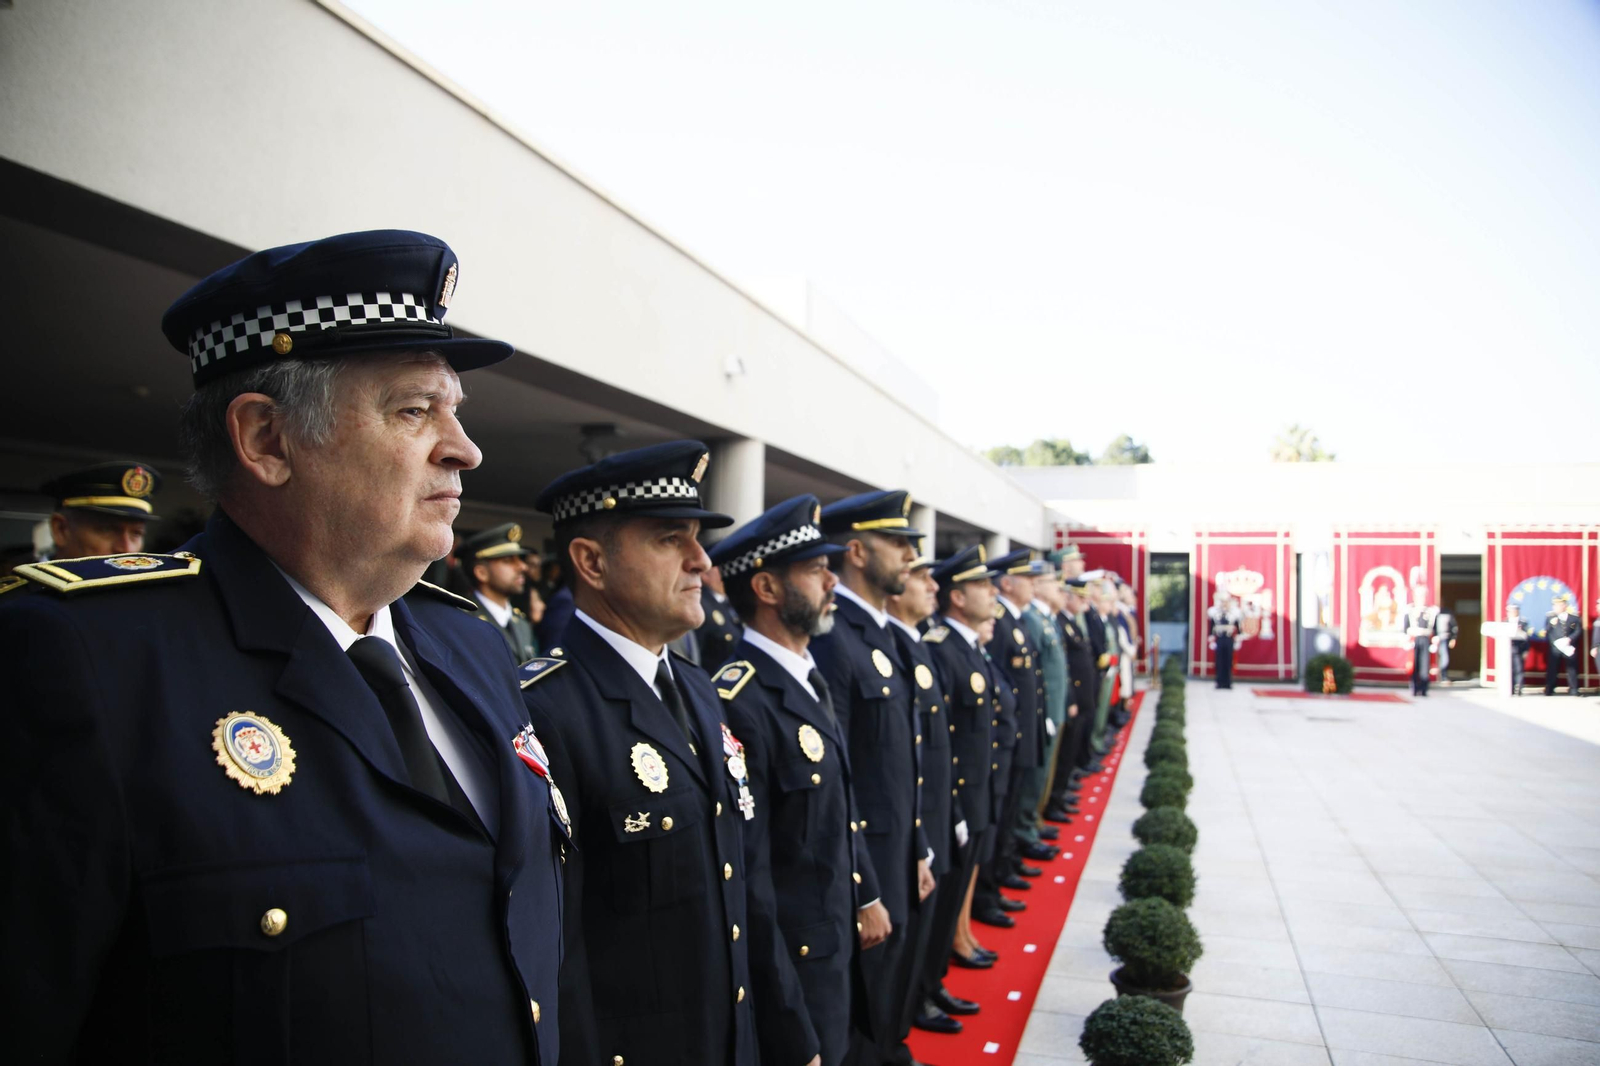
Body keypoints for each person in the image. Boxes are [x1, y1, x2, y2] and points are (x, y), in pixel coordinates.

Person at [3, 230, 566, 1063]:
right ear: (267, 440)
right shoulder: (86, 662)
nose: (464, 448)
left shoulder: (470, 645)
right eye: (414, 410)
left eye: (455, 410)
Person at [515, 441, 809, 1066]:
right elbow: (553, 949)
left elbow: (748, 887)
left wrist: (791, 1035)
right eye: (670, 539)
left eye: (697, 540)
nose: (702, 561)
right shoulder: (545, 710)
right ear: (591, 562)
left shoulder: (701, 691)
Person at [710, 495, 858, 1066]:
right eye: (817, 571)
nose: (833, 583)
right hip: (791, 962)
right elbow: (750, 873)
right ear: (768, 589)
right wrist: (789, 1022)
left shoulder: (807, 677)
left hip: (832, 937)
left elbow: (838, 807)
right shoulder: (739, 698)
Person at [812, 489, 932, 1066]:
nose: (910, 555)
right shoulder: (835, 639)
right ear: (856, 552)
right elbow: (840, 771)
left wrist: (920, 846)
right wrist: (866, 886)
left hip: (896, 848)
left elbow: (897, 759)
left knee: (888, 1000)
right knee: (864, 1010)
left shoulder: (882, 632)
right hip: (866, 864)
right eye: (899, 543)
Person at [886, 553, 966, 1039]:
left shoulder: (916, 645)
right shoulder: (897, 645)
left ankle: (925, 990)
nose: (932, 587)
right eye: (920, 578)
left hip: (932, 811)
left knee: (928, 928)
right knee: (907, 938)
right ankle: (911, 1007)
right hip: (912, 821)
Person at [921, 545, 1000, 977]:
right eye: (981, 585)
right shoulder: (942, 647)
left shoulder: (968, 646)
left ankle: (962, 934)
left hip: (976, 782)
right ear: (958, 597)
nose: (992, 593)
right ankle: (950, 949)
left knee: (966, 876)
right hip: (956, 788)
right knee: (950, 885)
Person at [976, 550, 1048, 927]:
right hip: (1007, 737)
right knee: (1000, 816)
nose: (1034, 584)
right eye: (1027, 578)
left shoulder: (1015, 619)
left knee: (1011, 809)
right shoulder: (1000, 622)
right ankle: (989, 887)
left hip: (1020, 734)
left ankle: (1003, 869)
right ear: (1007, 583)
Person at [38, 460, 162, 559]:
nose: (127, 549)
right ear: (60, 529)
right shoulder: (22, 587)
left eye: (136, 533)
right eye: (107, 529)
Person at [459, 522, 538, 662]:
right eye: (508, 561)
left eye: (520, 560)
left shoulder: (520, 622)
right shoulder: (462, 622)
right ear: (481, 573)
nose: (522, 567)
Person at [697, 564, 744, 671]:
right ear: (705, 575)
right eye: (720, 569)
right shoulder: (703, 606)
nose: (726, 572)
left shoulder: (729, 600)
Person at [1544, 593, 1581, 696]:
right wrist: (1555, 643)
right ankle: (1550, 688)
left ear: (1565, 605)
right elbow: (1548, 632)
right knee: (1552, 668)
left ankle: (1574, 689)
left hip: (1569, 647)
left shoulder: (1574, 618)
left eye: (1559, 605)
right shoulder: (1550, 617)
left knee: (1572, 668)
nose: (1556, 607)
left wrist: (1570, 639)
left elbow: (1578, 631)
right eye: (1555, 605)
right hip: (1555, 647)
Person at [1402, 594, 1435, 697]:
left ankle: (1424, 689)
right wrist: (1407, 640)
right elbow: (1405, 627)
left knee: (1425, 665)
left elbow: (1434, 628)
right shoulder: (1410, 611)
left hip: (1425, 639)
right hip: (1415, 639)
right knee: (1414, 665)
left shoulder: (1430, 612)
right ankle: (1415, 688)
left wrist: (1434, 642)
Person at [1208, 591, 1240, 690]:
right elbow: (1211, 628)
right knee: (1219, 661)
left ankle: (1228, 682)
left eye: (1226, 602)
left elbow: (1238, 629)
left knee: (1229, 661)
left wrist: (1238, 640)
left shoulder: (1233, 614)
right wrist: (1212, 640)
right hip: (1220, 639)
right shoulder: (1215, 614)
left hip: (1229, 639)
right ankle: (1219, 682)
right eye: (1222, 602)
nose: (1224, 604)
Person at [1433, 605, 1460, 684]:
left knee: (1444, 657)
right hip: (1435, 638)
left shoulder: (1448, 614)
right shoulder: (1434, 613)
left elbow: (1454, 626)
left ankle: (1443, 675)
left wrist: (1453, 638)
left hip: (1444, 637)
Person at [1508, 603, 1530, 696]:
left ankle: (1519, 689)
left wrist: (1526, 650)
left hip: (1518, 649)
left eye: (1513, 610)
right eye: (1510, 611)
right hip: (1508, 648)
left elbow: (1527, 637)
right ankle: (1510, 689)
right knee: (1510, 670)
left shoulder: (1523, 622)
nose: (1511, 613)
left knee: (1519, 670)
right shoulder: (1505, 621)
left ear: (1517, 611)